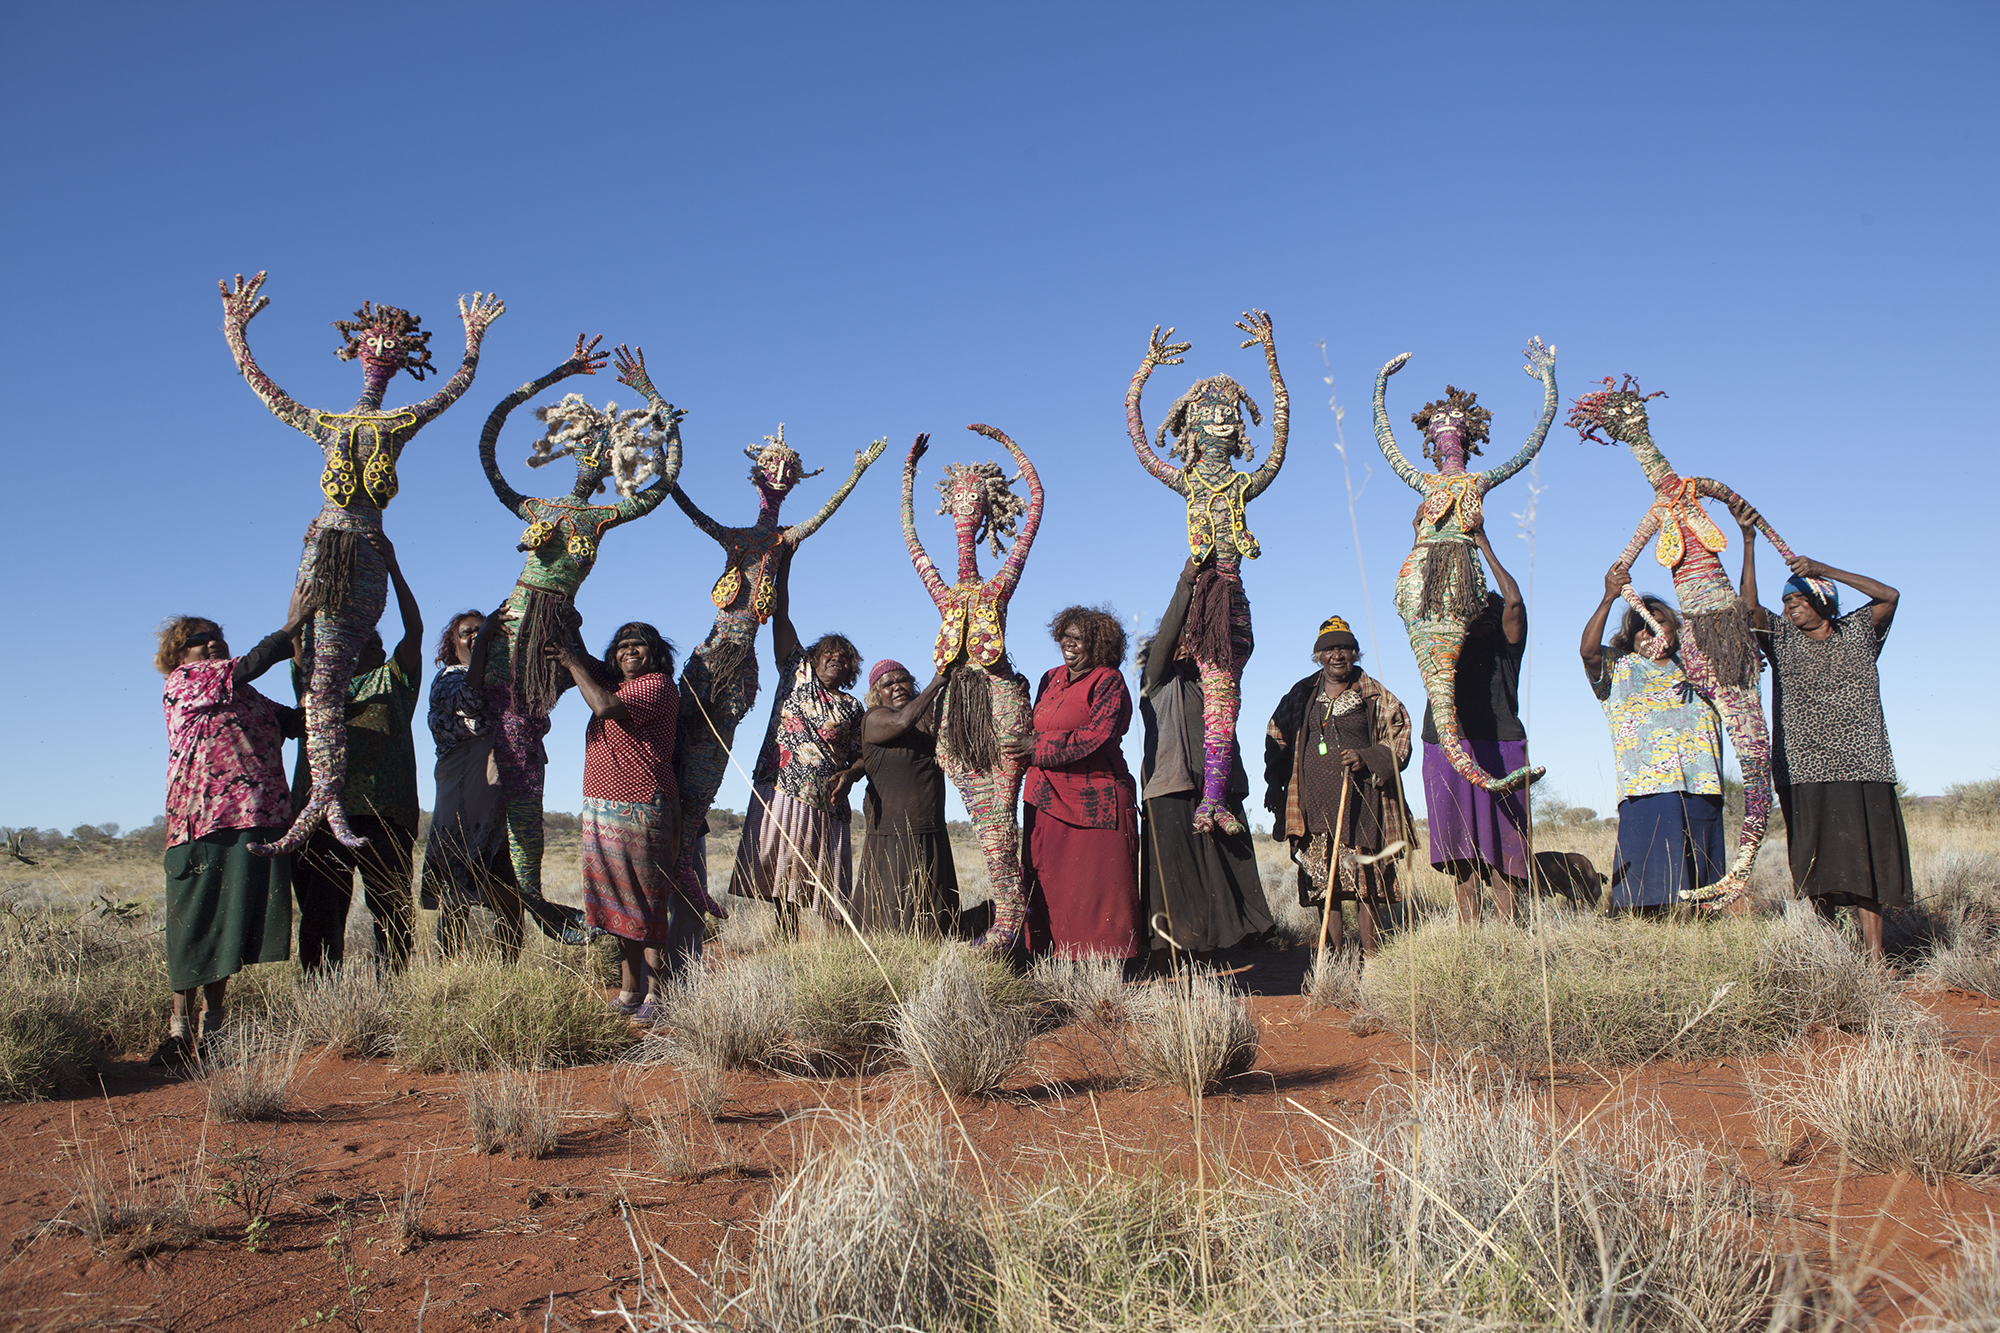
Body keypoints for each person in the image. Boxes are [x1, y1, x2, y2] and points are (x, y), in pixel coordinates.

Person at [152, 586, 310, 1065]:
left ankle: (215, 1029)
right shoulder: (185, 682)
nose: (212, 642)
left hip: (256, 821)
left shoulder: (244, 694)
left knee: (229, 927)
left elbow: (295, 721)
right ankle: (179, 1031)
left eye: (216, 635)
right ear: (179, 653)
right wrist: (292, 624)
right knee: (194, 924)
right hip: (202, 824)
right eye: (199, 638)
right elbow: (253, 661)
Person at [1737, 517, 1907, 959]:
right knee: (1815, 863)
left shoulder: (1858, 633)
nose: (1790, 607)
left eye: (1798, 599)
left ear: (1821, 601)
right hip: (1802, 765)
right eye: (1787, 601)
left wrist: (1824, 568)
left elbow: (1889, 595)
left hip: (1863, 762)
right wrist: (1749, 540)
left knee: (1865, 861)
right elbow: (1749, 607)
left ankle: (1873, 956)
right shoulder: (1783, 641)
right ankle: (1829, 951)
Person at [553, 622, 708, 1020]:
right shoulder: (616, 682)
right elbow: (589, 663)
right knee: (620, 903)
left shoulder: (655, 686)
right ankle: (630, 991)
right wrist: (570, 620)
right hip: (603, 806)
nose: (629, 651)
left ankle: (657, 995)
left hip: (642, 806)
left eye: (639, 645)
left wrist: (571, 661)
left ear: (655, 653)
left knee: (647, 900)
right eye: (622, 647)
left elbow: (603, 706)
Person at [289, 531, 421, 972]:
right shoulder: (317, 683)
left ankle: (394, 994)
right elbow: (297, 640)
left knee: (392, 913)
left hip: (387, 814)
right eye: (366, 640)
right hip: (323, 813)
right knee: (322, 912)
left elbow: (414, 631)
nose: (376, 646)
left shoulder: (395, 681)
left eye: (378, 643)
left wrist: (393, 569)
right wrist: (300, 602)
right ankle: (321, 999)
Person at [1136, 559, 1273, 960]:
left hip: (1218, 787)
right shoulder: (1156, 679)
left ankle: (1231, 951)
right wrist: (1187, 580)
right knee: (1180, 881)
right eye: (1180, 638)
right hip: (1172, 787)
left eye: (1191, 637)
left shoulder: (1214, 680)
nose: (1185, 644)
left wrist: (1228, 583)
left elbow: (1241, 639)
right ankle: (1177, 956)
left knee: (1226, 876)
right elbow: (1164, 638)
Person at [728, 547, 866, 933]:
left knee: (824, 881)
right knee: (780, 872)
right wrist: (784, 564)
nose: (836, 660)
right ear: (815, 657)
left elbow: (862, 756)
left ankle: (830, 953)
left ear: (851, 668)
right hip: (781, 788)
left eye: (844, 659)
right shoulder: (797, 672)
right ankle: (786, 942)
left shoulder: (854, 706)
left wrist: (852, 775)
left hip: (827, 797)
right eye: (829, 654)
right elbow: (781, 614)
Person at [1265, 616, 1416, 957]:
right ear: (1318, 656)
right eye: (1330, 649)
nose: (1337, 656)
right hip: (1313, 810)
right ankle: (1330, 961)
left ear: (1355, 653)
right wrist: (1276, 782)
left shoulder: (1375, 694)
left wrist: (1369, 757)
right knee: (1325, 889)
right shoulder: (1302, 694)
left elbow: (1401, 736)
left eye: (1345, 649)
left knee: (1367, 889)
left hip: (1362, 808)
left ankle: (1372, 961)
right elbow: (1276, 734)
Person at [1580, 570, 1727, 913]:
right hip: (1646, 787)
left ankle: (1702, 925)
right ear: (1630, 638)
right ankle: (1646, 928)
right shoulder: (1620, 668)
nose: (1651, 632)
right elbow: (1588, 651)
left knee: (1702, 885)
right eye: (1641, 627)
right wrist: (1608, 597)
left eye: (1659, 622)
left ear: (1676, 628)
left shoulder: (1701, 669)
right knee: (1647, 894)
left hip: (1700, 782)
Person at [1420, 522, 1530, 924]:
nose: (1477, 612)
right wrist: (1424, 536)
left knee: (1507, 851)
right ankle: (1469, 940)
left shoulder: (1505, 642)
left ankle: (1510, 936)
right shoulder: (1440, 636)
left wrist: (1483, 542)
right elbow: (1418, 592)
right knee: (1461, 853)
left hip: (1498, 742)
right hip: (1446, 741)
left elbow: (1515, 602)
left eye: (1486, 605)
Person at [1020, 606, 1142, 961]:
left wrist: (1037, 748)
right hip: (1046, 797)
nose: (1069, 645)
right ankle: (1052, 960)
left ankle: (1105, 967)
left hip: (1096, 798)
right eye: (1065, 637)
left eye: (1079, 639)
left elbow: (1098, 736)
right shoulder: (1050, 678)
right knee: (1048, 881)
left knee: (1097, 888)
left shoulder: (1108, 680)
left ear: (1100, 646)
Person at [420, 608, 529, 960]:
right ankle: (448, 972)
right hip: (464, 794)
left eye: (483, 633)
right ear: (453, 643)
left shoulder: (503, 684)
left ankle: (510, 969)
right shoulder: (449, 679)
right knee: (457, 888)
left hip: (497, 799)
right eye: (467, 633)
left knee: (507, 891)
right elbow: (469, 699)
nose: (474, 637)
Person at [855, 659, 961, 934]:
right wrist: (938, 680)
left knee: (938, 918)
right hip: (892, 831)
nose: (897, 687)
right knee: (889, 915)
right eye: (888, 684)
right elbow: (902, 721)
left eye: (903, 680)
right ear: (877, 694)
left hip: (930, 826)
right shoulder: (875, 718)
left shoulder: (927, 713)